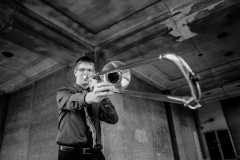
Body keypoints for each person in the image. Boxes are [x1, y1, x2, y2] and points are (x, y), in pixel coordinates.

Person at [56, 56, 119, 160]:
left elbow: (113, 119)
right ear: (75, 72)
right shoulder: (64, 92)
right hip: (70, 155)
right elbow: (75, 101)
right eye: (82, 70)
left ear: (93, 74)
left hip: (96, 154)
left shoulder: (97, 98)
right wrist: (92, 96)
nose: (86, 73)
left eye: (89, 70)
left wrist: (103, 96)